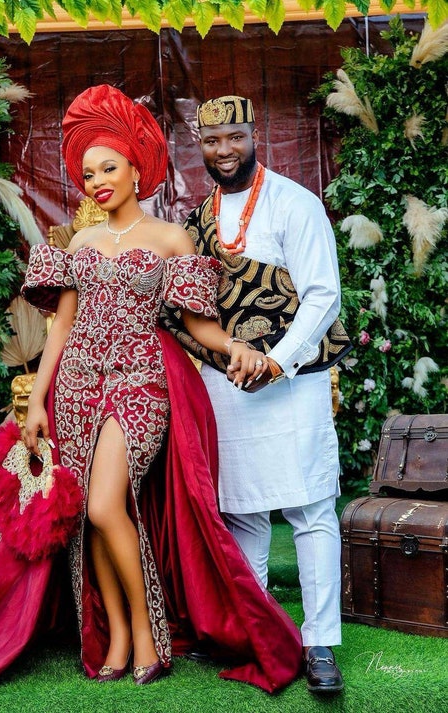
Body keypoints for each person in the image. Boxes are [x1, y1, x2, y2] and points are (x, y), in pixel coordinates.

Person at [0, 85, 302, 713]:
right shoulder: (76, 246)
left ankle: (151, 635)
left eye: (110, 168)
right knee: (82, 515)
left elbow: (195, 326)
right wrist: (38, 403)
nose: (98, 181)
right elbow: (60, 330)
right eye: (87, 174)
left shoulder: (172, 241)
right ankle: (119, 638)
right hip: (78, 384)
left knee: (107, 505)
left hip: (140, 383)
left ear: (137, 167)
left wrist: (241, 347)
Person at [163, 94, 352, 694]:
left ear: (255, 135)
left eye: (235, 138)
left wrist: (276, 361)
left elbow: (323, 296)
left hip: (292, 380)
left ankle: (320, 641)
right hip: (227, 382)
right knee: (243, 509)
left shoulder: (295, 204)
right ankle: (260, 629)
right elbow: (188, 308)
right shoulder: (198, 221)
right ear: (201, 147)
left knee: (310, 509)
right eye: (212, 142)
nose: (224, 151)